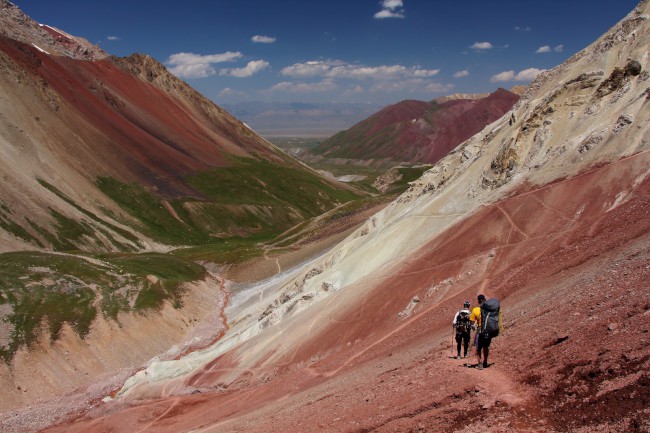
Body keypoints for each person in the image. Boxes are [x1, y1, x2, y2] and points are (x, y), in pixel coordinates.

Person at [469, 294, 488, 369]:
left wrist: (473, 326)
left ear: (478, 301)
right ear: (484, 300)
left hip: (480, 330)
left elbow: (472, 322)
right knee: (486, 347)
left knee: (478, 348)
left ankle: (480, 363)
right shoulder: (489, 308)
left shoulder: (475, 310)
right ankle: (485, 361)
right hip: (487, 331)